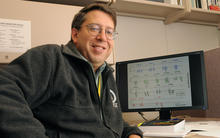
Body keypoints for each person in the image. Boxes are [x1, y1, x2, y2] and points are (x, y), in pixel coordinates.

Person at [0, 3, 143, 138]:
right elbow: (4, 88)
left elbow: (108, 122)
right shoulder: (52, 58)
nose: (102, 37)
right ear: (75, 34)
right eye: (94, 28)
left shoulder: (106, 73)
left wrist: (132, 132)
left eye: (109, 32)